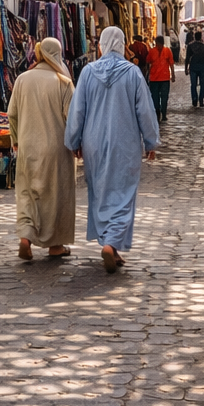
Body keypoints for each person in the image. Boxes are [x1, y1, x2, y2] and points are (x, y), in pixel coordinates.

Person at [65, 27, 160, 273]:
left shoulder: (87, 72)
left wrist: (74, 141)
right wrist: (151, 142)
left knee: (100, 191)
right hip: (125, 143)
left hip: (94, 142)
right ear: (122, 44)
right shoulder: (133, 73)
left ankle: (111, 246)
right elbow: (145, 112)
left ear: (103, 44)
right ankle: (111, 243)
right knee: (124, 193)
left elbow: (78, 111)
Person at [9, 38, 75, 261]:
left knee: (27, 192)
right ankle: (55, 246)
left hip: (28, 145)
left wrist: (16, 140)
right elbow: (73, 119)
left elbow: (12, 114)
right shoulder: (63, 82)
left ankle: (26, 237)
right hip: (56, 148)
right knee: (55, 196)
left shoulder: (22, 79)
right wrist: (77, 145)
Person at [145, 35, 175, 122]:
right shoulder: (152, 51)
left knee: (164, 97)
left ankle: (163, 113)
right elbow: (148, 62)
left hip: (164, 78)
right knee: (155, 97)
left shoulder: (167, 51)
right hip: (155, 79)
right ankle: (158, 113)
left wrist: (173, 75)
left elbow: (171, 64)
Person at [185, 30, 204, 108]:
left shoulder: (190, 45)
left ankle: (194, 99)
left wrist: (186, 68)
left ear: (194, 37)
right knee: (202, 84)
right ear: (201, 37)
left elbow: (187, 58)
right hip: (203, 66)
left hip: (193, 66)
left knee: (193, 84)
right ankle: (201, 99)